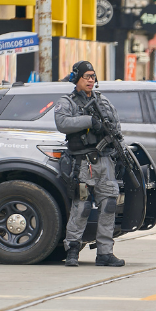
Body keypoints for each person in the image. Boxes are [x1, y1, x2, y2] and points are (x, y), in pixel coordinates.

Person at [54, 60, 125, 268]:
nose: (91, 80)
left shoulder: (103, 101)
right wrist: (89, 121)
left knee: (110, 205)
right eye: (87, 76)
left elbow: (117, 127)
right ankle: (73, 250)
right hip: (84, 163)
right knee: (82, 206)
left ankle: (105, 252)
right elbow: (62, 123)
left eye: (93, 76)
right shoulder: (67, 101)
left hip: (105, 161)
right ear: (76, 78)